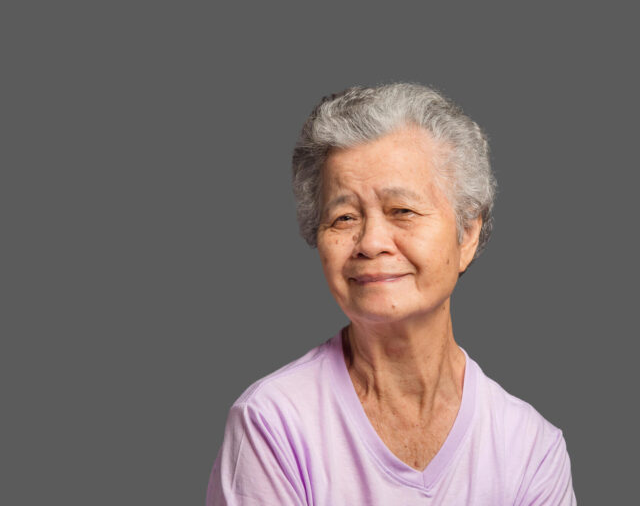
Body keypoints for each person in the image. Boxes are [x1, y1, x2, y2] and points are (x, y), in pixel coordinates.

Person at [206, 83, 576, 505]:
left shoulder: (529, 448)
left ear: (467, 233)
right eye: (343, 217)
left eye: (402, 211)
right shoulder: (273, 423)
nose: (371, 241)